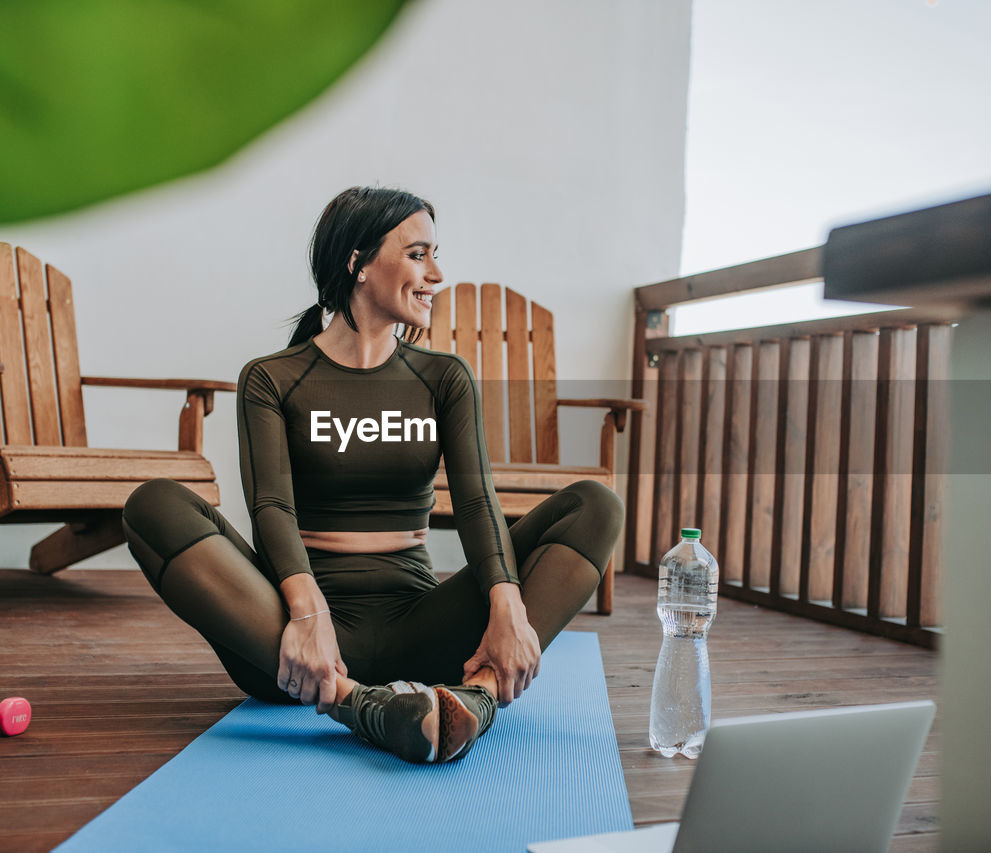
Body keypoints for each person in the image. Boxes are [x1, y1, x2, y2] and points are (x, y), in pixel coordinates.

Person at [122, 186, 624, 764]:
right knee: (153, 504)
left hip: (424, 631)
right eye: (418, 254)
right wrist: (308, 616)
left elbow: (477, 504)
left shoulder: (443, 378)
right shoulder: (273, 379)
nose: (436, 273)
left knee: (597, 506)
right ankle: (353, 703)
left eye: (435, 254)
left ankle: (476, 700)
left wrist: (507, 609)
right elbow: (272, 509)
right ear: (357, 263)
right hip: (295, 643)